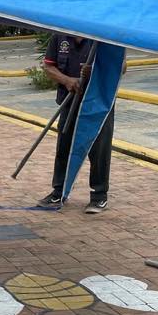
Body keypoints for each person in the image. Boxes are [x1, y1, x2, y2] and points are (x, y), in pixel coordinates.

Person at [36, 34, 116, 214]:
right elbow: (48, 66)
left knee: (99, 151)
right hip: (69, 101)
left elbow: (121, 67)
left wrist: (95, 71)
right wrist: (67, 80)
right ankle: (59, 192)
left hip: (98, 105)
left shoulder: (104, 37)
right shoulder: (59, 36)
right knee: (64, 148)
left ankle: (99, 196)